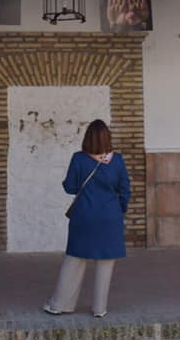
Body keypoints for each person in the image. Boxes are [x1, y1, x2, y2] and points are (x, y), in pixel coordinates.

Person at [43, 119, 130, 318]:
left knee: (74, 260)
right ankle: (99, 309)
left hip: (83, 216)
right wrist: (119, 210)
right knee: (105, 262)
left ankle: (60, 305)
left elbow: (70, 187)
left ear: (87, 138)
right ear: (108, 138)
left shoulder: (78, 158)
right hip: (110, 217)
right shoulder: (117, 160)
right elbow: (125, 190)